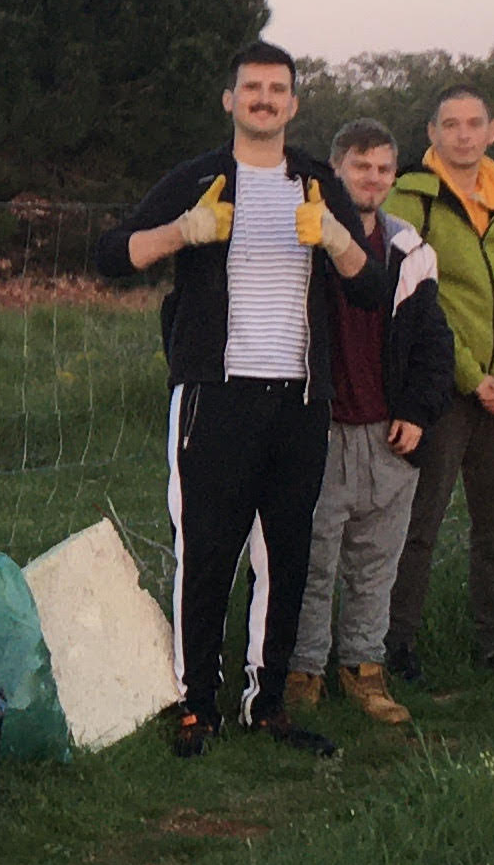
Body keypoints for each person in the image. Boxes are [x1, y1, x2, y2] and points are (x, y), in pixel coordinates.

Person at [114, 41, 392, 759]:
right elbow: (112, 255)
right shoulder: (200, 178)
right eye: (252, 88)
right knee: (207, 553)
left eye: (278, 89)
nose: (265, 99)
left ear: (294, 105)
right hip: (216, 394)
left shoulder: (317, 181)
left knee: (286, 556)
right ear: (230, 101)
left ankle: (267, 706)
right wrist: (183, 232)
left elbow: (370, 290)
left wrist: (336, 239)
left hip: (299, 400)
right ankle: (195, 704)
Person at [384, 84, 494, 684]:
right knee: (418, 525)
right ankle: (395, 644)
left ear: (493, 131)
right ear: (430, 134)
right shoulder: (411, 201)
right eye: (450, 124)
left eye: (474, 123)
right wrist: (469, 376)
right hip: (442, 392)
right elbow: (416, 301)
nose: (463, 135)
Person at [285, 121, 451, 725]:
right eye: (362, 167)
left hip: (388, 432)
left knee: (376, 562)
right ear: (335, 170)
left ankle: (364, 668)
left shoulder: (410, 250)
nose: (374, 178)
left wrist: (417, 410)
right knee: (309, 559)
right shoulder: (306, 238)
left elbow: (435, 343)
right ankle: (299, 671)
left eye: (384, 168)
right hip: (319, 427)